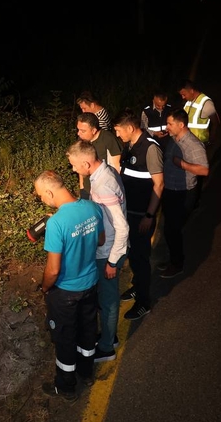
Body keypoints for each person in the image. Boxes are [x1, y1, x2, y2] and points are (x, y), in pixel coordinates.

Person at [35, 170, 105, 400]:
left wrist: (45, 288)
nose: (41, 200)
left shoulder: (56, 224)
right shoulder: (92, 206)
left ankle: (66, 386)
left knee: (64, 339)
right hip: (90, 283)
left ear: (49, 191)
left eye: (40, 196)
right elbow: (101, 240)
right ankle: (86, 372)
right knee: (87, 330)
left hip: (65, 292)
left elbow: (53, 270)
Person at [65, 140, 128, 363]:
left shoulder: (103, 185)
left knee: (109, 301)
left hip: (109, 252)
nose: (73, 169)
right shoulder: (105, 172)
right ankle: (109, 338)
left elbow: (122, 226)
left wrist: (112, 261)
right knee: (105, 298)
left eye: (74, 165)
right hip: (107, 248)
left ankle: (107, 349)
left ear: (86, 162)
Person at [112, 110, 164, 320]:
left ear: (130, 128)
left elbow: (159, 184)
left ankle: (144, 302)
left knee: (140, 257)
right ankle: (136, 286)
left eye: (118, 130)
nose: (117, 135)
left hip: (142, 215)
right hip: (130, 212)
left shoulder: (151, 148)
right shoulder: (131, 145)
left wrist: (149, 215)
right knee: (133, 254)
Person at [159, 108, 209, 279]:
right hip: (170, 190)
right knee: (169, 229)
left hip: (184, 193)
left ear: (181, 125)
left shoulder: (193, 144)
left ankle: (177, 264)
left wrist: (182, 164)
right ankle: (173, 259)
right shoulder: (174, 138)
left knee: (173, 230)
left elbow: (204, 170)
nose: (167, 126)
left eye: (170, 124)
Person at [76, 112, 122, 200]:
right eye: (78, 130)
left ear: (93, 130)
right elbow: (80, 166)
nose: (79, 133)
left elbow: (116, 166)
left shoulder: (108, 139)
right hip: (87, 189)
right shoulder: (81, 140)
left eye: (83, 131)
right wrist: (82, 188)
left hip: (104, 190)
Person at [179, 79, 220, 148]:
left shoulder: (206, 103)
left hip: (199, 144)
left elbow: (216, 122)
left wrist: (211, 140)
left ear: (191, 91)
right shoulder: (188, 102)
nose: (183, 97)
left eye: (184, 94)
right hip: (186, 142)